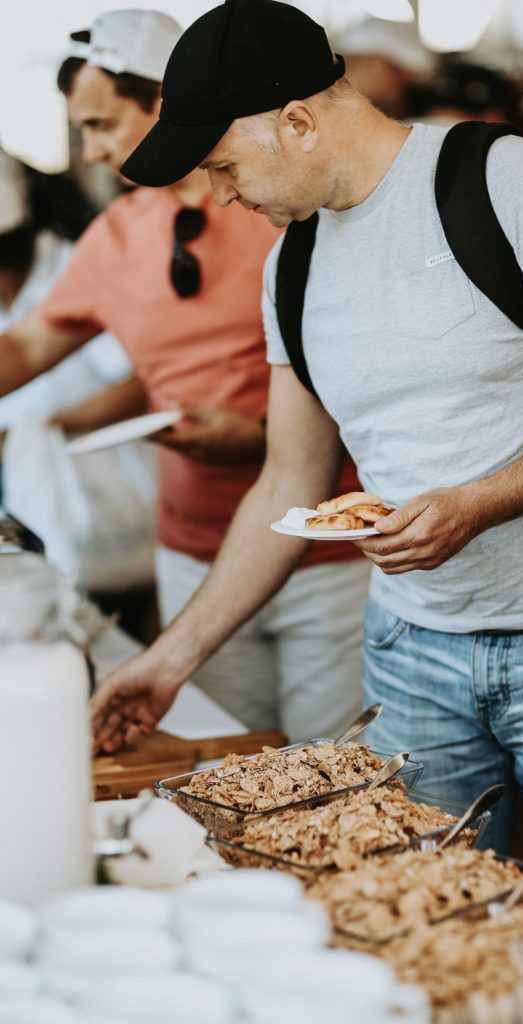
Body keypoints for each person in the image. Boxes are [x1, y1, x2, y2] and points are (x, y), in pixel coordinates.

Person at [91, 0, 523, 943]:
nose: (219, 193)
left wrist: (479, 505)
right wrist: (168, 660)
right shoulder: (290, 266)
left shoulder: (504, 180)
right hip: (411, 655)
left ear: (296, 119)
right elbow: (288, 482)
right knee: (415, 928)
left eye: (223, 164)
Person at [0, 8, 369, 740]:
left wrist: (257, 435)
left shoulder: (282, 204)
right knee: (225, 766)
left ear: (163, 102)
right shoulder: (117, 235)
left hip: (326, 549)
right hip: (193, 553)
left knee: (331, 777)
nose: (93, 150)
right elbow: (26, 350)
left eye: (104, 123)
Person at [0, 145, 137, 492]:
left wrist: (44, 426)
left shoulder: (77, 268)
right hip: (26, 485)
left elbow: (142, 386)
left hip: (111, 484)